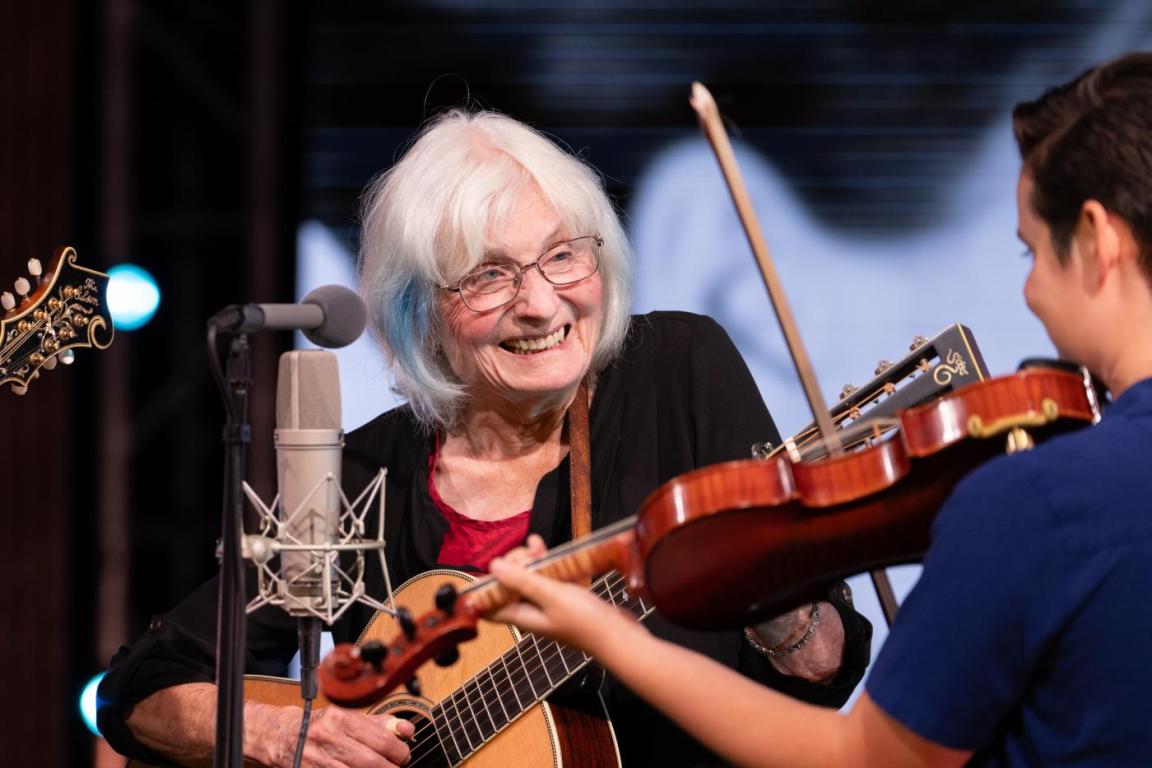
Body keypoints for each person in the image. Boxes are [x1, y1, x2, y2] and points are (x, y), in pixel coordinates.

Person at [97, 109, 873, 767]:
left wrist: (778, 611)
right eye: (489, 276)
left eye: (563, 256)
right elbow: (140, 686)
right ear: (418, 310)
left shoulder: (678, 369)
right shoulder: (365, 476)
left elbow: (822, 676)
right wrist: (281, 735)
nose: (540, 303)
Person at [486, 51, 1152, 767]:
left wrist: (607, 636)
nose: (1030, 292)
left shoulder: (1040, 500)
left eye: (1031, 254)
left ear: (1097, 239)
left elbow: (865, 757)